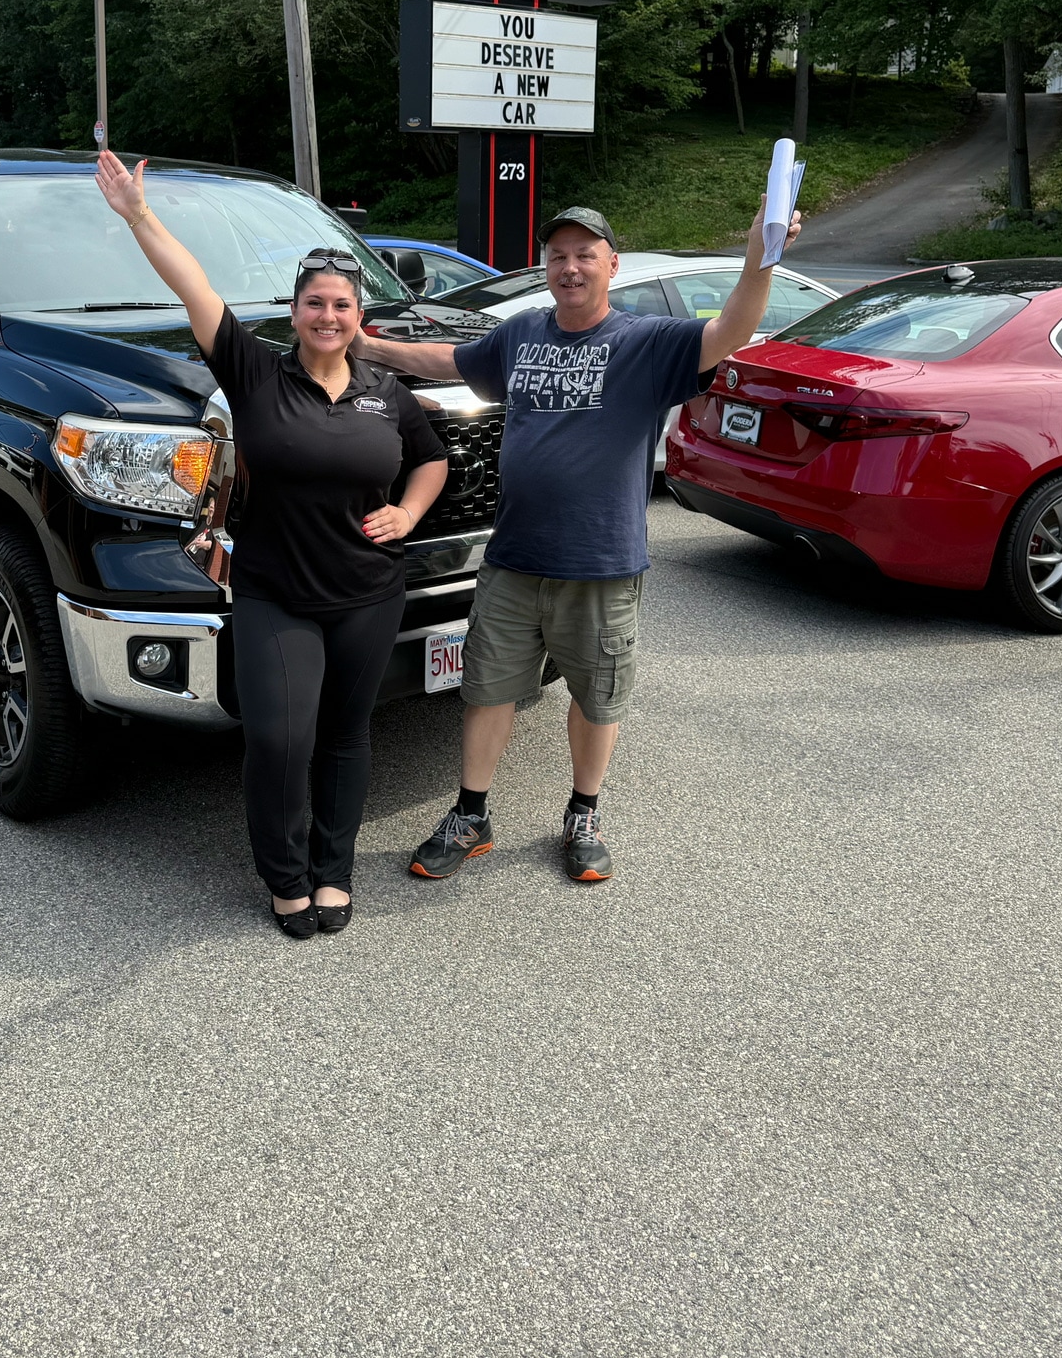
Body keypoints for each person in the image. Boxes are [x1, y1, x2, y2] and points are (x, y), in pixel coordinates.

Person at [352, 197, 800, 885]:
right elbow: (449, 361)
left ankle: (583, 813)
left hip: (601, 562)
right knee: (486, 689)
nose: (569, 267)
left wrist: (759, 259)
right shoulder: (521, 334)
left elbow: (733, 329)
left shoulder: (647, 342)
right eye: (558, 255)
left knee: (597, 696)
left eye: (584, 254)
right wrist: (369, 345)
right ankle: (471, 815)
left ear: (610, 266)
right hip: (512, 559)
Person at [93, 150, 449, 938]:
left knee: (346, 736)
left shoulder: (385, 392)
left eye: (343, 305)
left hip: (368, 590)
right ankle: (285, 876)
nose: (329, 316)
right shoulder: (256, 374)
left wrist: (411, 514)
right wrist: (139, 215)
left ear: (361, 317)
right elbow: (194, 287)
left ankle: (334, 873)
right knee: (282, 738)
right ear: (295, 314)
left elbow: (431, 458)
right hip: (275, 591)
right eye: (316, 303)